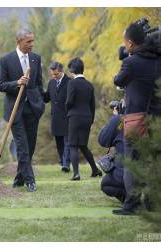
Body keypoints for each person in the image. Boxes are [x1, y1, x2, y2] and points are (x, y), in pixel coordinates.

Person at [113, 22, 161, 215]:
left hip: (136, 120)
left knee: (132, 162)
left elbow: (118, 81)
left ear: (131, 44)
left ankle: (131, 205)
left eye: (125, 43)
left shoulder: (131, 63)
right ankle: (153, 204)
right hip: (157, 121)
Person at [0, 28, 45, 192]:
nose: (32, 44)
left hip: (33, 109)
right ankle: (30, 180)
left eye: (33, 41)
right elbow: (0, 85)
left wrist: (40, 102)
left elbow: (39, 84)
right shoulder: (5, 60)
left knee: (30, 146)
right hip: (14, 110)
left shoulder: (36, 59)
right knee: (22, 146)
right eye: (29, 41)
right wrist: (17, 83)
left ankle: (19, 177)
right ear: (19, 42)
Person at [66, 57, 102, 181]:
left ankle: (76, 174)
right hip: (87, 118)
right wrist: (91, 120)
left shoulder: (72, 83)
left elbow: (69, 101)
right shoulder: (89, 85)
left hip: (75, 117)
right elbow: (93, 106)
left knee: (73, 145)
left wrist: (67, 110)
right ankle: (95, 170)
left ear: (72, 70)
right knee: (83, 145)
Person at [43, 61, 71, 172]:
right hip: (55, 118)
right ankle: (62, 161)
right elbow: (46, 98)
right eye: (52, 74)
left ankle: (66, 164)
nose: (54, 76)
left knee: (67, 142)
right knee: (59, 143)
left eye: (56, 74)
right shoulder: (51, 83)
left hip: (67, 117)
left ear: (61, 71)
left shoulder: (70, 82)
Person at [99, 106, 126, 203]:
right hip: (151, 171)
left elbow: (103, 140)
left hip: (125, 171)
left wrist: (115, 118)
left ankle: (129, 200)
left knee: (105, 184)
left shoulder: (120, 119)